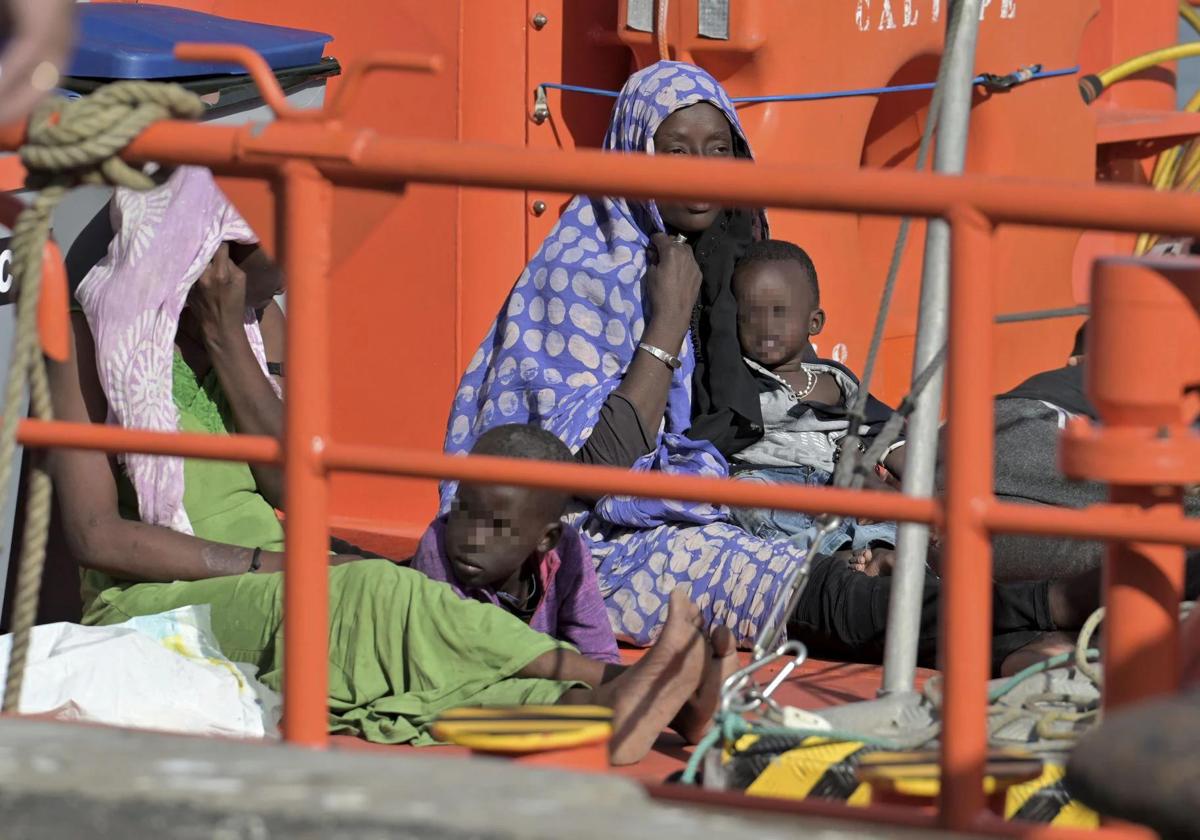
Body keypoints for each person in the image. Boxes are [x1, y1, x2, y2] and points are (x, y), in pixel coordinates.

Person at [44, 165, 736, 763]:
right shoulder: (86, 339)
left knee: (409, 634)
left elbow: (289, 483)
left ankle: (628, 704)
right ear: (210, 254)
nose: (273, 294)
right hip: (155, 600)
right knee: (383, 595)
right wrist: (279, 567)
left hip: (274, 565)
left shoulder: (257, 325)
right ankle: (622, 683)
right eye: (265, 273)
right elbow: (96, 536)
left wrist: (229, 339)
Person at [443, 60, 1091, 675]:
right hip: (598, 538)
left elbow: (768, 402)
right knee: (817, 587)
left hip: (720, 497)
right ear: (634, 153)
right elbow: (590, 476)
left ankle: (1037, 631)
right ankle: (1044, 617)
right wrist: (667, 322)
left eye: (717, 148)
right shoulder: (583, 273)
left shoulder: (728, 257)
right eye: (675, 149)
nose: (700, 171)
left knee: (920, 527)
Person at [724, 239, 901, 559]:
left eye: (779, 312)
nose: (766, 326)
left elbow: (884, 427)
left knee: (896, 523)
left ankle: (875, 551)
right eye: (750, 315)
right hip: (770, 480)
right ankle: (843, 555)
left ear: (814, 322)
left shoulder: (835, 380)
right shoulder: (740, 378)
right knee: (746, 498)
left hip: (833, 481)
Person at [409, 424, 620, 664]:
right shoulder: (435, 549)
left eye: (497, 527)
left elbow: (599, 652)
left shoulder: (568, 552)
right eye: (463, 510)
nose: (471, 539)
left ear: (546, 538)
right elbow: (459, 662)